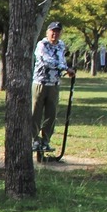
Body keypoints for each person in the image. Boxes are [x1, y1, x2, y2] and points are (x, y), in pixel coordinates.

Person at [31, 22, 75, 153]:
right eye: (52, 31)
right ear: (47, 32)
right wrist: (65, 68)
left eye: (57, 31)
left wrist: (67, 70)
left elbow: (61, 60)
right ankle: (34, 140)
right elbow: (46, 60)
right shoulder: (42, 45)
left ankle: (46, 141)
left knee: (51, 114)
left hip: (54, 84)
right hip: (40, 83)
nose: (55, 34)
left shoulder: (61, 45)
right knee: (35, 113)